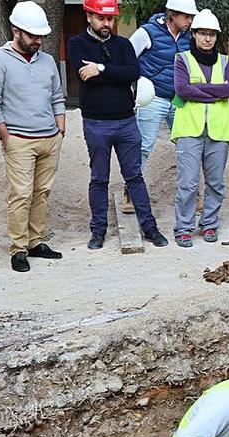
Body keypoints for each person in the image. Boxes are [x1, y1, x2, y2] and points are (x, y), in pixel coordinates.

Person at [67, 0, 169, 250]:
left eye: (110, 19)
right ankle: (98, 231)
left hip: (126, 122)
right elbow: (85, 77)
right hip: (96, 123)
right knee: (99, 179)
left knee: (135, 177)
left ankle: (150, 228)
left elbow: (132, 73)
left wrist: (100, 68)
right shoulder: (76, 44)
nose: (107, 24)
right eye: (101, 18)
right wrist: (113, 73)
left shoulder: (123, 44)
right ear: (89, 16)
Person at [0, 1, 66, 273]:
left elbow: (56, 95)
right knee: (21, 194)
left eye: (41, 35)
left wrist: (61, 125)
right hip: (18, 138)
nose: (38, 40)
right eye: (32, 35)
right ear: (16, 30)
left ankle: (36, 241)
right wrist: (5, 135)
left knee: (42, 192)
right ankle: (18, 248)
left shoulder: (48, 61)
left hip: (50, 137)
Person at [169, 9, 229, 248]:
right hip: (189, 129)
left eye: (211, 34)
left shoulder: (225, 61)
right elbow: (182, 90)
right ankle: (183, 228)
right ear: (194, 35)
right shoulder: (182, 59)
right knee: (187, 182)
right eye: (203, 34)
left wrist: (202, 90)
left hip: (218, 130)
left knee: (215, 182)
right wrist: (214, 92)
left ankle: (209, 223)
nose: (207, 39)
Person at [131, 0, 197, 174]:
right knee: (144, 146)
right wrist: (137, 84)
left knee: (186, 145)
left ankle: (188, 190)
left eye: (191, 17)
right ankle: (131, 190)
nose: (190, 21)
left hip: (179, 99)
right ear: (172, 14)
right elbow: (126, 58)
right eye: (186, 16)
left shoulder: (188, 36)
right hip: (153, 98)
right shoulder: (147, 32)